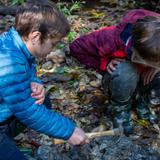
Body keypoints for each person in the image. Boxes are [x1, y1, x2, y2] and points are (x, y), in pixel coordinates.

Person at [0, 1, 89, 160]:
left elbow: (29, 66)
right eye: (53, 44)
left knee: (43, 102)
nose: (53, 49)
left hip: (5, 110)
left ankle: (6, 140)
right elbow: (27, 110)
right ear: (36, 36)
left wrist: (34, 81)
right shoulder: (9, 62)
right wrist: (69, 131)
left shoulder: (15, 41)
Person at [70, 9, 160, 136]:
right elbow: (76, 47)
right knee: (126, 71)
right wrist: (104, 63)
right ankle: (121, 109)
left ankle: (143, 103)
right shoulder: (110, 39)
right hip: (121, 81)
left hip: (144, 79)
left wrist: (155, 67)